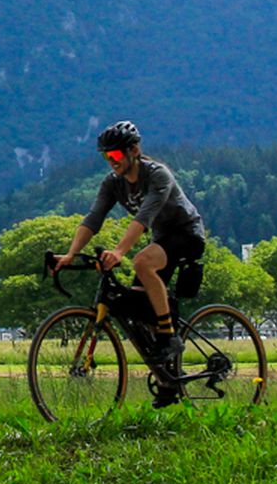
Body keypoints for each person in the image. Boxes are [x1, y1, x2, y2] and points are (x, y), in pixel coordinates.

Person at [52, 121, 206, 396]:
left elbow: (143, 218)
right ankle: (168, 380)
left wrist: (120, 251)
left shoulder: (158, 175)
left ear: (134, 150)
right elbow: (93, 218)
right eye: (106, 156)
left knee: (142, 262)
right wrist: (71, 253)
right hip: (160, 242)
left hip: (187, 235)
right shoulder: (113, 184)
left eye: (115, 155)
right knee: (138, 307)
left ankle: (169, 338)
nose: (111, 162)